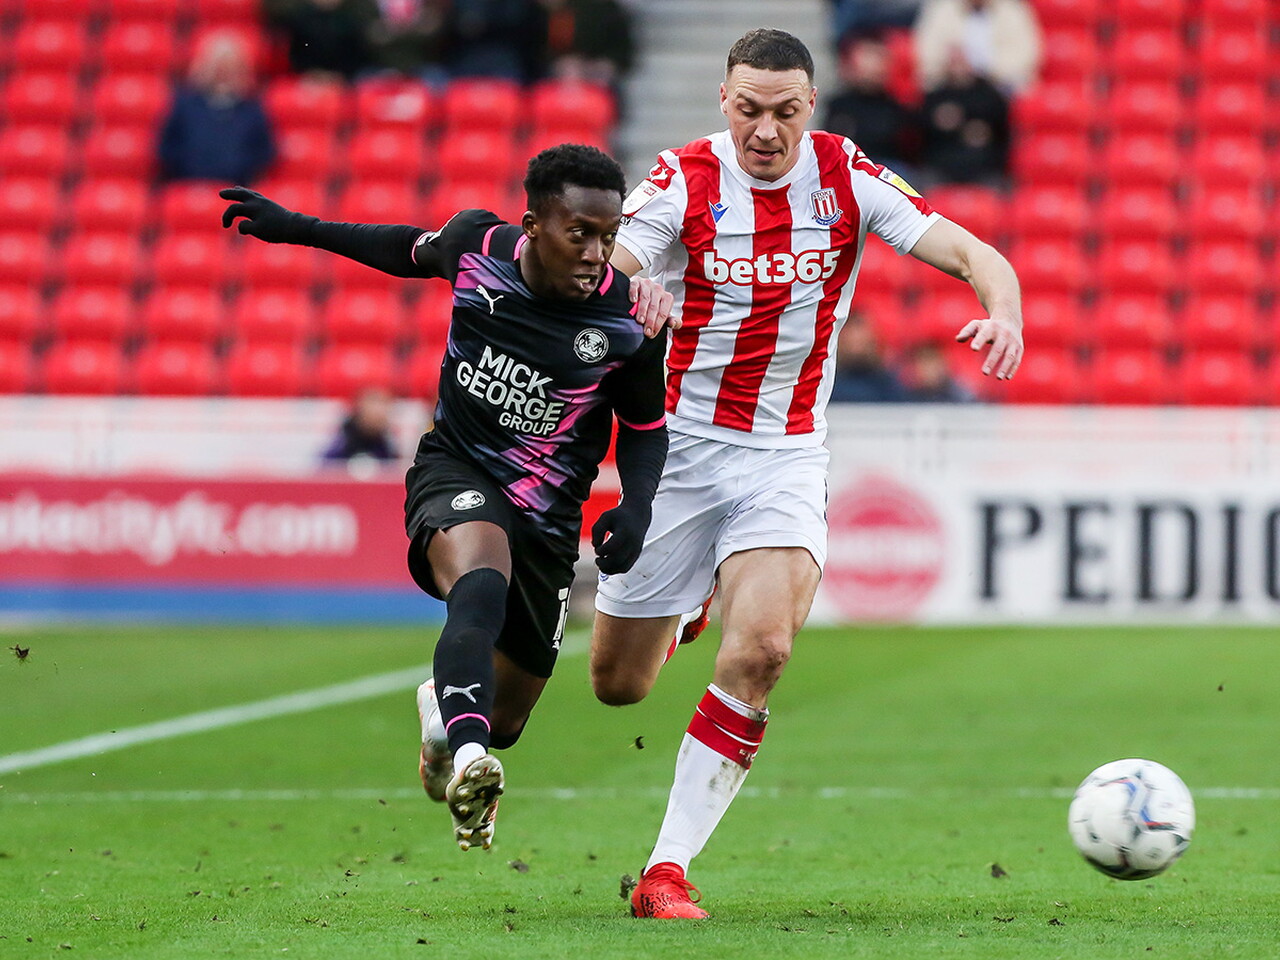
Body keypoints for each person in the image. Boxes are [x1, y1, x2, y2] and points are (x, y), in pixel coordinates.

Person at [590, 28, 1023, 918]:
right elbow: (600, 278)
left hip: (784, 453)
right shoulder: (680, 180)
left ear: (810, 106)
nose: (765, 130)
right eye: (749, 109)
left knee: (764, 651)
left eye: (785, 111)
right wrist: (629, 297)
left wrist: (1004, 314)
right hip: (678, 454)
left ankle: (666, 870)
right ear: (723, 100)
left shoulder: (846, 175)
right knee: (618, 685)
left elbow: (977, 255)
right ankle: (688, 606)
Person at [220, 144, 674, 852]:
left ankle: (447, 723)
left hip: (550, 515)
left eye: (608, 236)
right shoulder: (476, 248)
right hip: (458, 469)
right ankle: (469, 761)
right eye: (579, 233)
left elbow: (644, 428)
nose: (595, 254)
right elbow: (401, 248)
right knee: (479, 584)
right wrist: (296, 227)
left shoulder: (628, 323)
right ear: (533, 226)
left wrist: (637, 507)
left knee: (507, 718)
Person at [157, 31, 275, 186]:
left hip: (236, 188)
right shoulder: (184, 105)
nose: (223, 74)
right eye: (218, 67)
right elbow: (167, 147)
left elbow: (263, 152)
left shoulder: (252, 110)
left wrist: (238, 168)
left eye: (229, 68)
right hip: (189, 186)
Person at [821, 33, 919, 179]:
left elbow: (909, 148)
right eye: (868, 57)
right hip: (850, 169)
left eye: (879, 58)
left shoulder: (896, 106)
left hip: (889, 169)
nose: (875, 66)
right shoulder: (839, 105)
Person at [919, 46, 1010, 186]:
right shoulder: (935, 96)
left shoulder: (989, 95)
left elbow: (1003, 129)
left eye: (962, 61)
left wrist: (984, 132)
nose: (958, 68)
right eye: (954, 62)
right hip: (941, 164)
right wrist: (939, 123)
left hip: (983, 165)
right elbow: (919, 132)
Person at [913, 0, 1042, 96]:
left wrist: (980, 66)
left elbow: (1027, 56)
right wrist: (950, 62)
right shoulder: (941, 9)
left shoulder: (1013, 10)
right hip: (951, 87)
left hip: (999, 88)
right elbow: (924, 53)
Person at [828, 312, 909, 402]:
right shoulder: (828, 380)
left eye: (861, 342)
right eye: (852, 342)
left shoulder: (887, 383)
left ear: (872, 342)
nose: (857, 349)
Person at [320, 384, 401, 471]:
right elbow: (326, 470)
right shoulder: (342, 441)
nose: (379, 411)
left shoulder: (388, 443)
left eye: (384, 404)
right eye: (373, 403)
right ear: (359, 407)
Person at [903, 340, 977, 401]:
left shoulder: (960, 395)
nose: (929, 369)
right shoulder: (906, 395)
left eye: (932, 363)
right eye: (924, 363)